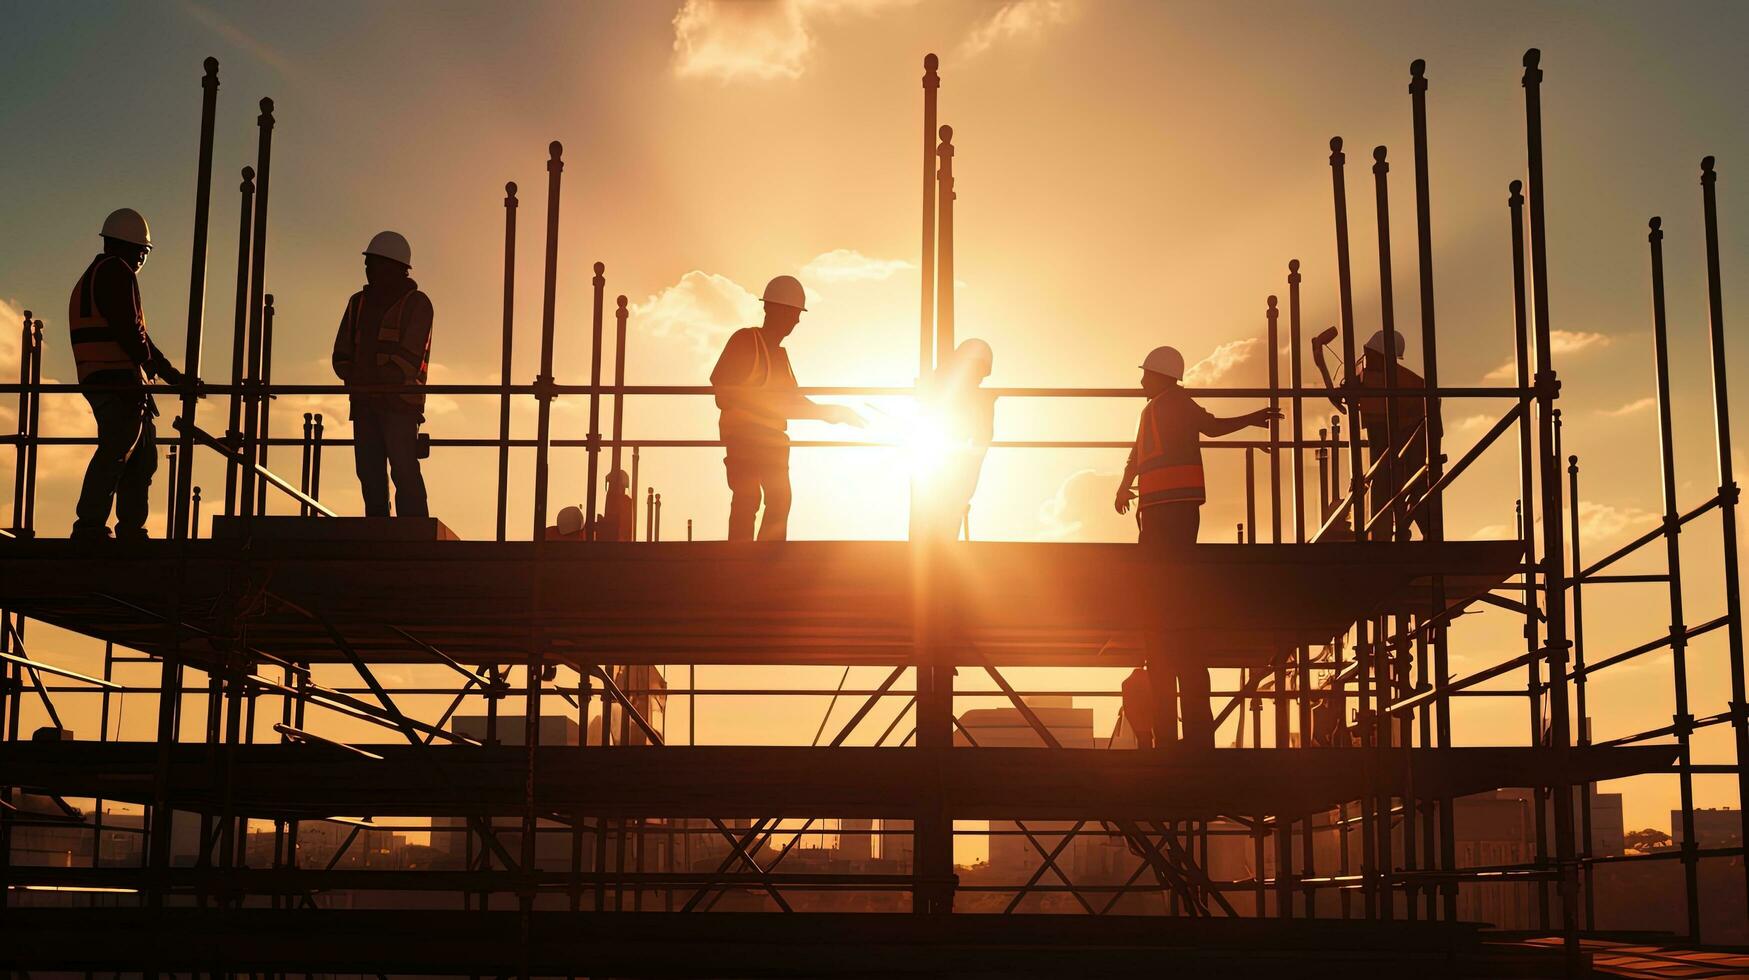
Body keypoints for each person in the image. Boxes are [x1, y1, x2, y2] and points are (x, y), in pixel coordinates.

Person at [1114, 344, 1278, 749]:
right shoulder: (1152, 409)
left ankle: (1170, 619)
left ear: (1161, 377)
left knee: (1167, 588)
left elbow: (1214, 427)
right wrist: (1123, 485)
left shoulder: (1176, 403)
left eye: (1145, 375)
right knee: (1167, 586)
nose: (1140, 381)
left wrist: (1252, 418)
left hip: (1171, 509)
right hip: (1161, 508)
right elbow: (1138, 453)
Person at [69, 208, 196, 541]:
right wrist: (163, 370)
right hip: (115, 379)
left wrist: (169, 374)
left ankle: (129, 528)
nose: (142, 259)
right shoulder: (117, 272)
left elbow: (134, 332)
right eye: (143, 251)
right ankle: (90, 524)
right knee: (117, 448)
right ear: (130, 248)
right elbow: (131, 332)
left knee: (141, 455)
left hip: (107, 377)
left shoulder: (95, 274)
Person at [710, 275, 865, 541]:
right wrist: (769, 405)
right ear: (772, 309)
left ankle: (767, 563)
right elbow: (722, 392)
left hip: (772, 440)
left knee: (780, 500)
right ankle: (738, 561)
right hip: (744, 436)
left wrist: (832, 412)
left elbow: (792, 403)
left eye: (796, 315)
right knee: (747, 497)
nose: (796, 321)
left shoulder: (780, 357)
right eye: (793, 313)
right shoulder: (746, 342)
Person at [331, 231, 432, 518]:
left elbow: (409, 357)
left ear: (394, 267)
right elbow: (341, 355)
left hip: (400, 404)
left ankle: (413, 532)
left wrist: (371, 378)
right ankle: (378, 530)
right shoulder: (357, 303)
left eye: (373, 263)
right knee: (369, 472)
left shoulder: (417, 304)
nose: (368, 269)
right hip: (364, 404)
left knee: (404, 470)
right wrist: (357, 378)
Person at [1311, 327, 1429, 538]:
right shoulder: (1380, 377)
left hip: (1407, 441)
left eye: (1370, 355)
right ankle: (1396, 534)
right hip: (1392, 443)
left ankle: (1408, 534)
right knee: (1393, 489)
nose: (1366, 359)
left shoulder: (1398, 380)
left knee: (1408, 488)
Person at [909, 338, 996, 541]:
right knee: (930, 525)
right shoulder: (944, 391)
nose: (979, 379)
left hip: (949, 466)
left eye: (981, 374)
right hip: (937, 465)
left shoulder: (975, 399)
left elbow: (980, 444)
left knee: (943, 527)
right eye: (977, 371)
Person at [595, 469, 635, 541]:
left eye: (613, 484)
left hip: (620, 541)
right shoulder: (611, 498)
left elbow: (622, 527)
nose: (611, 489)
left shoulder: (625, 502)